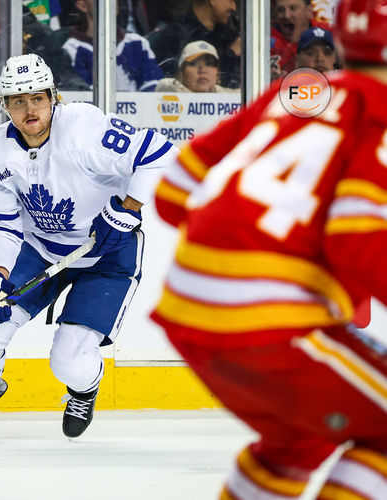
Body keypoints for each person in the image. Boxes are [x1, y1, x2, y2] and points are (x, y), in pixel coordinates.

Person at [150, 1, 387, 498]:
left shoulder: (299, 93)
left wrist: (237, 237)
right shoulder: (379, 109)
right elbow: (355, 240)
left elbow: (171, 196)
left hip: (185, 310)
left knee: (297, 440)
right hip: (271, 320)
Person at [0, 54, 177, 441]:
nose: (29, 109)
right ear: (4, 106)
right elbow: (0, 220)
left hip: (107, 254)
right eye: (18, 101)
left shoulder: (85, 129)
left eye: (37, 98)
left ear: (54, 97)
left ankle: (84, 389)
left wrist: (126, 211)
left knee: (69, 360)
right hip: (40, 249)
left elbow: (162, 156)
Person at [62, 0, 163, 91]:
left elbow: (153, 87)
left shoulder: (137, 43)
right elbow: (80, 95)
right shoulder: (71, 49)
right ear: (82, 5)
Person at [148, 0, 241, 88]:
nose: (234, 7)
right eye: (230, 0)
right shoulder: (174, 37)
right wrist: (231, 55)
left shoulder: (228, 36)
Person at [271, 0, 330, 77]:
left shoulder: (330, 35)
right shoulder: (262, 37)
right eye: (280, 10)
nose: (286, 15)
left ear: (309, 11)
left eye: (293, 8)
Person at [154, 40, 238, 92]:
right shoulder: (168, 88)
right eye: (193, 64)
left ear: (217, 73)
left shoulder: (226, 96)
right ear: (181, 73)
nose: (202, 70)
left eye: (209, 64)